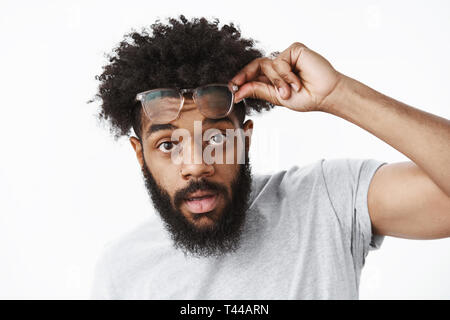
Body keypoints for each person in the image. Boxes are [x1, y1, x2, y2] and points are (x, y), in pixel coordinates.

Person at [90, 15, 450, 299]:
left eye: (216, 137)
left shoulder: (327, 202)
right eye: (168, 144)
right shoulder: (122, 270)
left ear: (244, 140)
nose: (196, 164)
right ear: (140, 155)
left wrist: (338, 94)